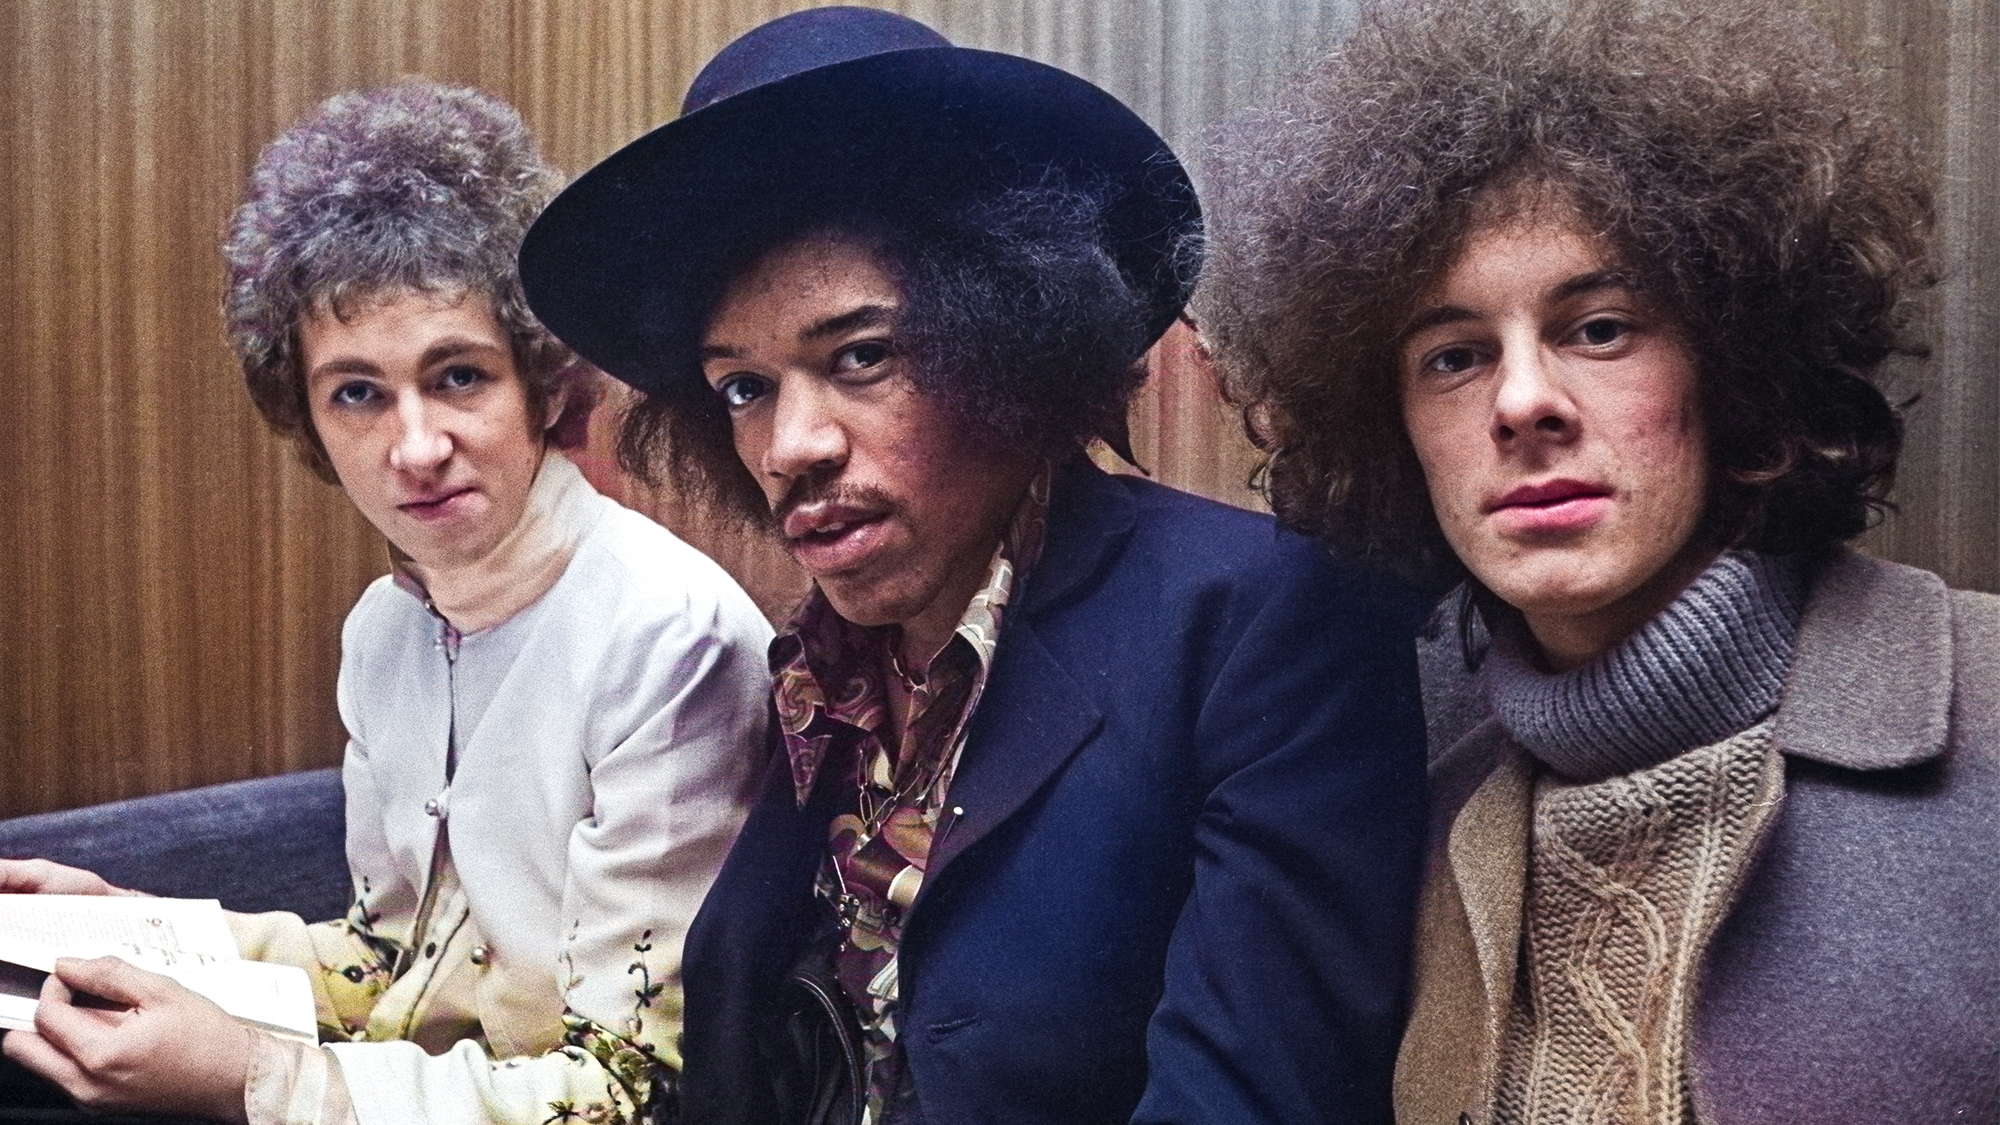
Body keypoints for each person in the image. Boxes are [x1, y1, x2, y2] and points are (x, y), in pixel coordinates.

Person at [516, 8, 1430, 1124]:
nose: (788, 446)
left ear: (1009, 340)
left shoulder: (1258, 621)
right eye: (743, 388)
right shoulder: (822, 670)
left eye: (859, 356)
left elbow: (1249, 1096)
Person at [1197, 0, 2000, 1122]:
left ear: (1734, 368)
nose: (1522, 403)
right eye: (1453, 356)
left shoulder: (1981, 723)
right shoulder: (1402, 778)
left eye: (1598, 328)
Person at [0, 81, 773, 1125]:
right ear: (309, 420)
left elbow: (636, 1093)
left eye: (457, 376)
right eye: (358, 393)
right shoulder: (384, 631)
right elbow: (385, 967)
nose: (413, 447)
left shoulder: (669, 639)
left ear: (545, 386)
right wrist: (134, 929)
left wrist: (253, 1079)